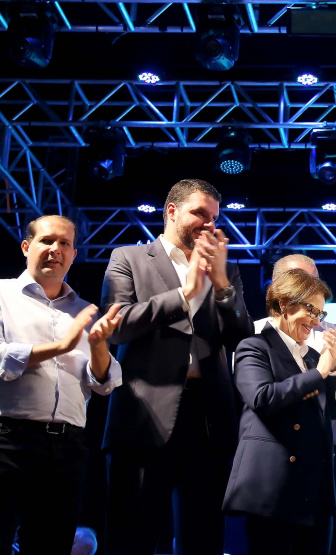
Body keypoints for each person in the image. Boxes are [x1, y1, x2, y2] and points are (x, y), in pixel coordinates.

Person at [101, 179, 253, 554]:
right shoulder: (129, 258)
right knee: (132, 536)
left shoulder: (226, 271)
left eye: (215, 217)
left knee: (203, 538)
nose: (209, 224)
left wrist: (220, 285)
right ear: (171, 211)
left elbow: (243, 339)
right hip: (144, 415)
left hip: (208, 419)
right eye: (199, 213)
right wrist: (184, 294)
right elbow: (116, 325)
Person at [0, 215, 123, 554]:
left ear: (73, 254)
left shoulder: (85, 311)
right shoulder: (2, 294)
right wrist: (62, 345)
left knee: (51, 545)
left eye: (65, 243)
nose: (56, 249)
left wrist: (99, 348)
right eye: (47, 241)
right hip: (8, 439)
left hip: (67, 447)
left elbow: (102, 383)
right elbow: (1, 358)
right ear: (26, 247)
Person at [223, 269, 336, 554]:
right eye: (311, 310)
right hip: (272, 491)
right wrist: (319, 373)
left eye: (321, 314)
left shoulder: (315, 358)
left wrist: (335, 367)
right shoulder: (254, 346)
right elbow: (262, 397)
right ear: (282, 305)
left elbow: (332, 413)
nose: (317, 321)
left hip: (314, 492)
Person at [253, 254, 336, 555]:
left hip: (331, 453)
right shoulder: (254, 336)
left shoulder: (333, 333)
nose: (308, 291)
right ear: (277, 288)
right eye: (299, 282)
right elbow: (260, 399)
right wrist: (320, 371)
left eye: (314, 282)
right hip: (275, 457)